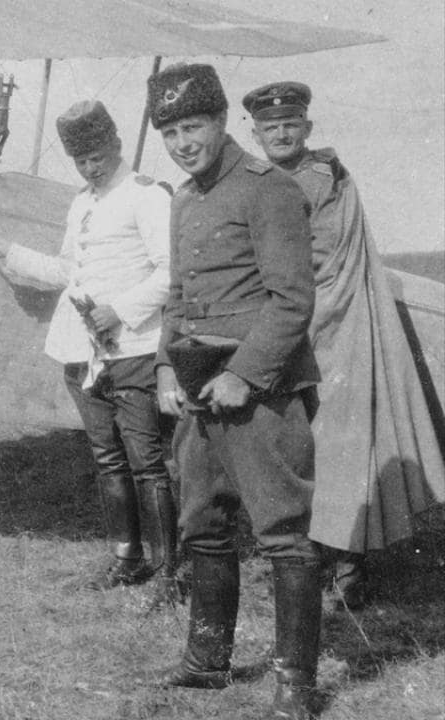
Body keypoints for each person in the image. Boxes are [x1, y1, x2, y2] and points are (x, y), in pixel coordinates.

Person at [145, 63, 323, 720]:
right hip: (197, 391)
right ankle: (206, 660)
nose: (182, 142)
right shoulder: (185, 199)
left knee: (282, 533)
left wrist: (243, 375)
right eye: (169, 131)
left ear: (221, 122)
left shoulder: (267, 189)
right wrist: (167, 365)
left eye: (192, 126)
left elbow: (291, 302)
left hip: (261, 392)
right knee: (203, 526)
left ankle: (296, 682)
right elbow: (178, 296)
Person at [243, 81, 445, 611]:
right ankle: (310, 559)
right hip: (291, 329)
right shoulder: (264, 180)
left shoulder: (320, 178)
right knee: (296, 445)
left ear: (307, 128)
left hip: (334, 332)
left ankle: (349, 567)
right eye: (270, 127)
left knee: (340, 446)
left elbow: (321, 262)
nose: (281, 133)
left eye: (291, 124)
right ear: (256, 133)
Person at [0, 100, 180, 604]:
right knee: (107, 458)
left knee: (147, 461)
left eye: (98, 156)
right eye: (82, 161)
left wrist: (121, 309)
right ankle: (126, 557)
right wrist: (9, 253)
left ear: (116, 145)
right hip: (83, 353)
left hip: (133, 348)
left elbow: (171, 272)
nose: (92, 167)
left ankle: (169, 572)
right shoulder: (83, 203)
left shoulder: (147, 197)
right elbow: (69, 270)